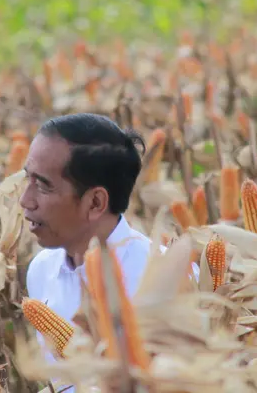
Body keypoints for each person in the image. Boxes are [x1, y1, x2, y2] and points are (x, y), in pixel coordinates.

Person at [20, 113, 198, 391]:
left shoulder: (171, 279)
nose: (25, 200)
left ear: (95, 202)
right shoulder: (41, 270)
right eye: (27, 179)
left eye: (42, 185)